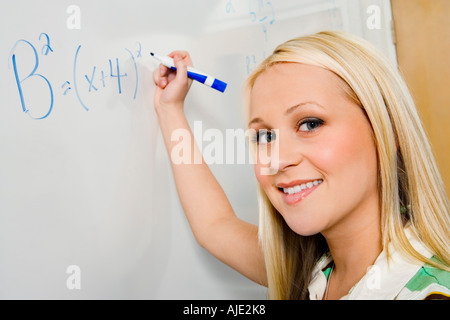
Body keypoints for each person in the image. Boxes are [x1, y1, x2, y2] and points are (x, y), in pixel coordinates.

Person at [152, 30, 450, 300]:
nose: (278, 160)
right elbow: (214, 226)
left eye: (310, 123)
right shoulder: (312, 272)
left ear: (387, 129)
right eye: (265, 136)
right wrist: (170, 109)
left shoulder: (428, 292)